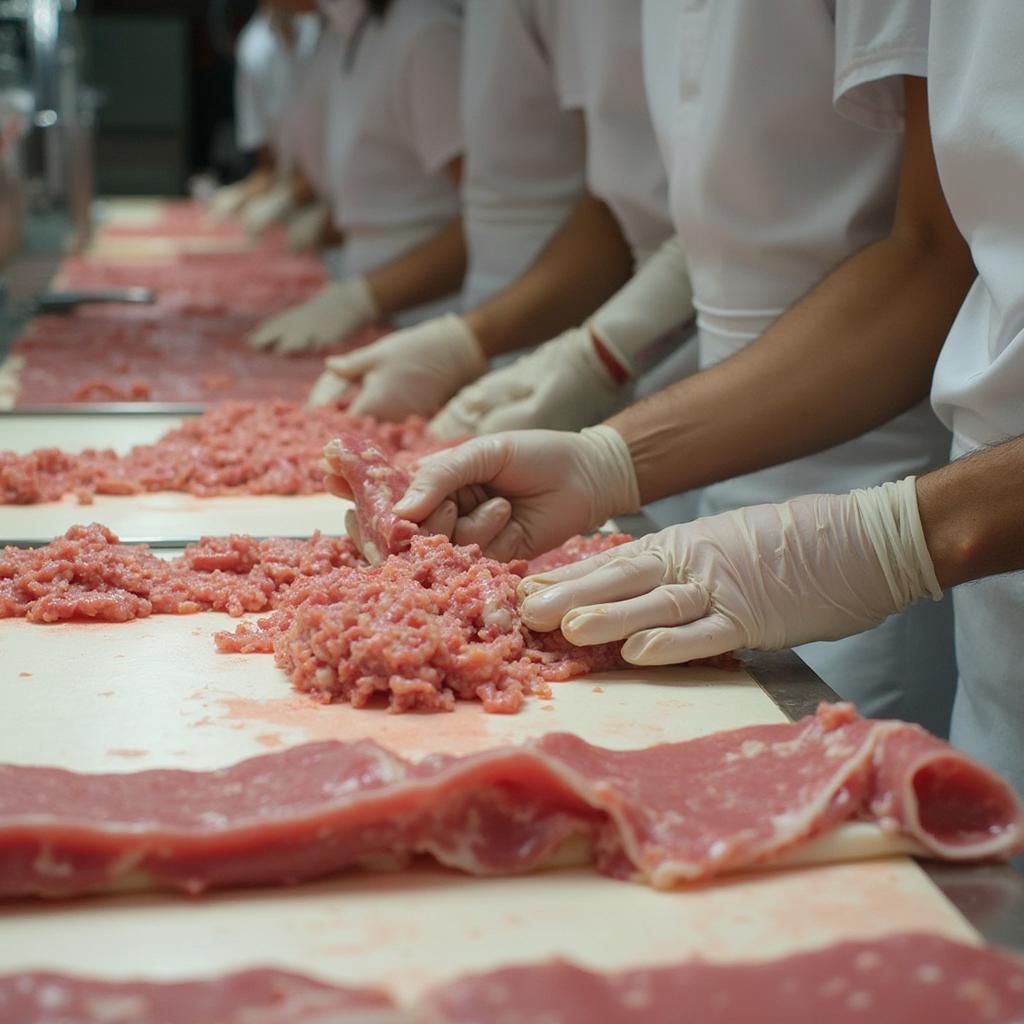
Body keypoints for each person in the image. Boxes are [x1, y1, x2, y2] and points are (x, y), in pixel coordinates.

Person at [327, 3, 975, 736]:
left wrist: (889, 539)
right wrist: (607, 457)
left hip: (885, 483)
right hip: (716, 463)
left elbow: (932, 255)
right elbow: (677, 219)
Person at [308, 0, 693, 426]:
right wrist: (466, 341)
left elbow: (633, 210)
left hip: (605, 327)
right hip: (539, 331)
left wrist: (593, 358)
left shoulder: (427, 30)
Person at [248, 0, 465, 353]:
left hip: (431, 327)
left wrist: (361, 299)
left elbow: (486, 218)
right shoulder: (348, 32)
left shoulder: (425, 33)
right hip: (381, 318)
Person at [209, 3, 320, 222]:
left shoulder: (330, 30)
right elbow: (268, 166)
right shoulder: (253, 49)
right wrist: (243, 196)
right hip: (301, 205)